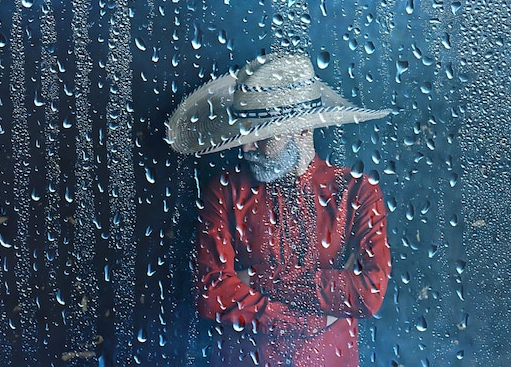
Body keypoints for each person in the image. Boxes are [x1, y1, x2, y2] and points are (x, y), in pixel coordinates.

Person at [167, 53, 392, 367]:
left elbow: (368, 294)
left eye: (263, 136)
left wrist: (255, 279)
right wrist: (311, 316)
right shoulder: (225, 192)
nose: (245, 147)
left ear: (302, 130)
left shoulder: (358, 192)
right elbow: (210, 294)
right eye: (246, 133)